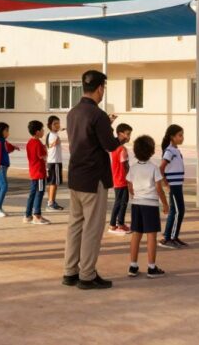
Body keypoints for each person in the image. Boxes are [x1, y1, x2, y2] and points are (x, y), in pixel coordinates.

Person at [62, 70, 122, 290]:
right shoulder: (97, 115)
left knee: (75, 225)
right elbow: (109, 145)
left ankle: (70, 271)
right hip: (94, 178)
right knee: (92, 228)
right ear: (100, 88)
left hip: (76, 175)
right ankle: (87, 274)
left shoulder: (72, 112)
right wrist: (120, 138)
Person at [127, 135, 168, 279]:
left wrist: (134, 195)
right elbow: (159, 188)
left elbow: (129, 185)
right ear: (151, 151)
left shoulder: (133, 167)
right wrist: (165, 204)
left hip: (137, 203)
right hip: (150, 205)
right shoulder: (154, 168)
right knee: (151, 236)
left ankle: (133, 266)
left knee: (136, 234)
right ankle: (151, 267)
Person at [159, 124, 188, 249]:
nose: (182, 138)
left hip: (178, 185)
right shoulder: (169, 151)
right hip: (173, 186)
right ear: (172, 137)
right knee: (177, 211)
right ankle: (168, 238)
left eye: (182, 135)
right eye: (180, 135)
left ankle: (173, 236)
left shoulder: (176, 150)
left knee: (178, 210)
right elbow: (161, 168)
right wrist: (166, 183)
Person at [108, 123, 133, 235]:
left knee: (122, 202)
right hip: (121, 179)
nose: (129, 136)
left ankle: (120, 224)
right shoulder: (122, 149)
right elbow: (125, 166)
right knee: (119, 202)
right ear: (120, 134)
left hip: (118, 179)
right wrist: (129, 180)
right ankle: (113, 225)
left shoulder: (114, 147)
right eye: (127, 134)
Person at [24, 120, 51, 225]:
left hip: (33, 171)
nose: (43, 131)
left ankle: (27, 215)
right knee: (39, 193)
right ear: (37, 132)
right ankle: (37, 215)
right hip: (40, 173)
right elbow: (42, 156)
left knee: (32, 194)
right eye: (42, 129)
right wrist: (45, 149)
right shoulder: (38, 143)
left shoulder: (29, 142)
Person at [0, 122, 16, 218]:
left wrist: (14, 147)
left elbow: (8, 148)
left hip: (4, 167)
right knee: (4, 186)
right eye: (6, 130)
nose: (8, 132)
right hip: (0, 167)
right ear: (0, 131)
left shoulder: (4, 142)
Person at [45, 115, 65, 211]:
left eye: (58, 123)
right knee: (54, 183)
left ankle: (50, 201)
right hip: (55, 162)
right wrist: (55, 142)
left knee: (51, 183)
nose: (57, 125)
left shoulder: (50, 134)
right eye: (55, 124)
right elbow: (52, 144)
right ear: (49, 125)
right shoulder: (54, 135)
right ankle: (51, 203)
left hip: (51, 161)